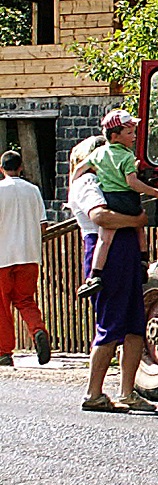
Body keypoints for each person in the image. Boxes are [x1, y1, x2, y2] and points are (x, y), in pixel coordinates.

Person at [66, 136, 155, 413]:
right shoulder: (86, 183)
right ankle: (94, 392)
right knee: (110, 323)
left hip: (125, 249)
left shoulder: (108, 180)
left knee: (134, 323)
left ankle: (127, 392)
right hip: (106, 250)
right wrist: (136, 220)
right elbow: (101, 217)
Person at [76, 109, 158, 299]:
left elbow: (80, 167)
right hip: (128, 198)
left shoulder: (99, 153)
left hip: (110, 200)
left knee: (105, 239)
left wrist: (74, 182)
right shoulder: (127, 157)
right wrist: (156, 192)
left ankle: (95, 275)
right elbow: (132, 183)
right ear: (114, 135)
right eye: (129, 133)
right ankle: (144, 260)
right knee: (138, 225)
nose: (134, 137)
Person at [0, 148, 51, 367]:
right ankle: (38, 329)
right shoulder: (33, 190)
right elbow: (43, 225)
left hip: (2, 256)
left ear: (1, 169)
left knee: (2, 306)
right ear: (21, 167)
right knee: (25, 300)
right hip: (29, 255)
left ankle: (4, 351)